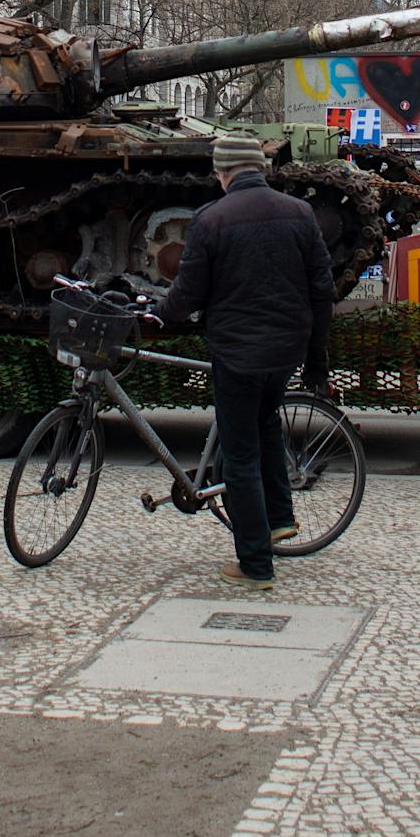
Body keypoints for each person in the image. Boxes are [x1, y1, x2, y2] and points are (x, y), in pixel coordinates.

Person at [161, 132, 334, 588]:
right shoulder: (300, 213)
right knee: (266, 427)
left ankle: (255, 564)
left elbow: (189, 292)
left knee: (240, 454)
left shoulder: (211, 218)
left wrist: (157, 314)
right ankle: (280, 519)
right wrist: (317, 361)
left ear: (223, 174)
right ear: (261, 169)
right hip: (285, 350)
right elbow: (322, 291)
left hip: (236, 352)